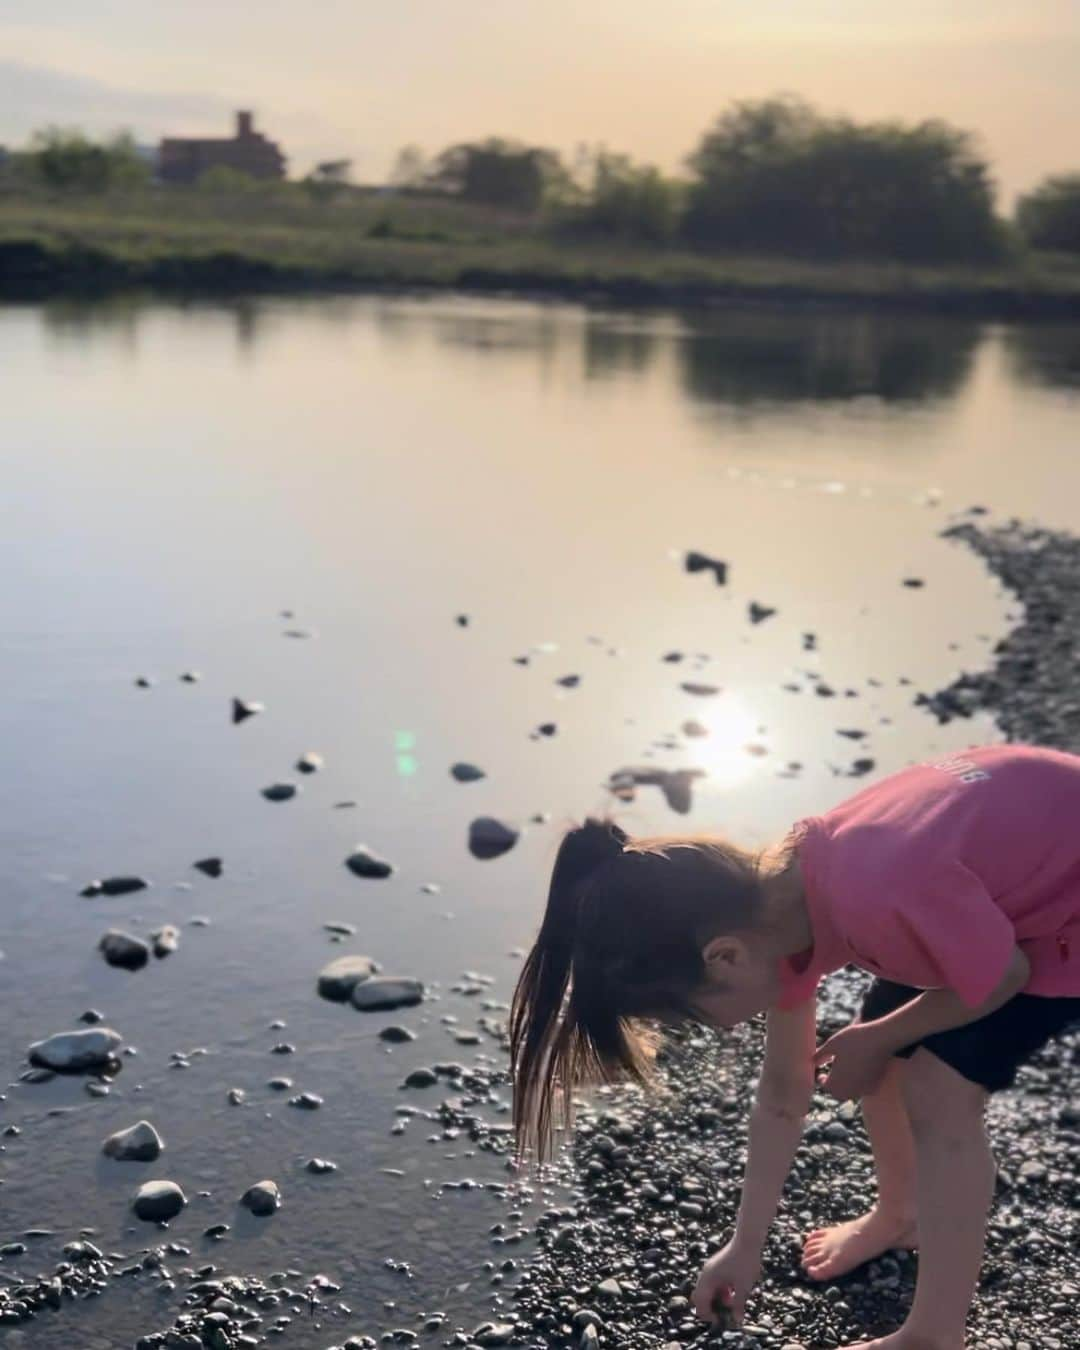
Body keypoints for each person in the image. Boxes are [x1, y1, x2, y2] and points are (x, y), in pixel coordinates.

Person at [509, 743, 1080, 1350]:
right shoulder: (781, 905)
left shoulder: (877, 888)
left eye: (699, 1015)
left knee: (937, 1091)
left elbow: (1002, 977)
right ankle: (900, 1215)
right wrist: (743, 1248)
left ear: (724, 956)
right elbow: (784, 1094)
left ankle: (934, 1336)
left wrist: (879, 1037)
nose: (723, 1030)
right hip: (995, 886)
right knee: (881, 1052)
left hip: (1061, 910)